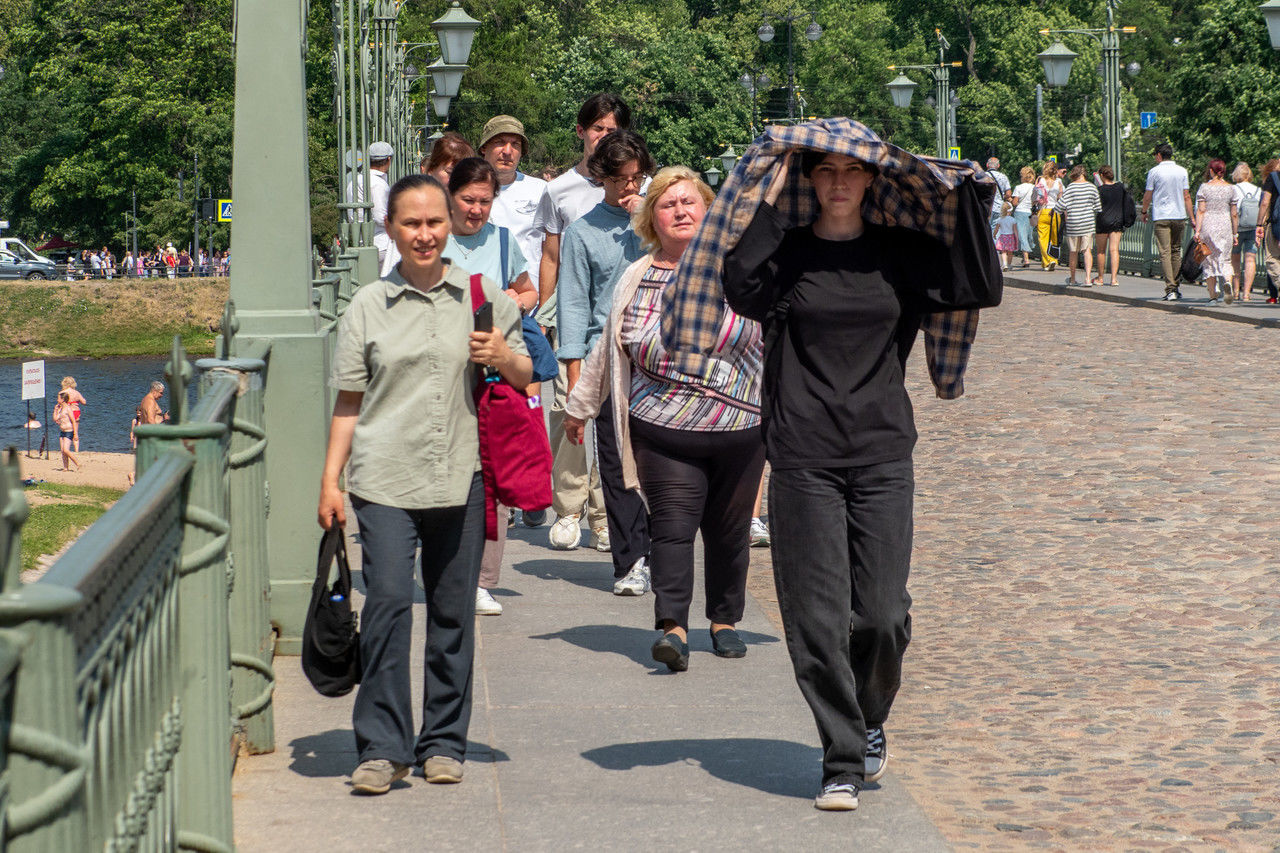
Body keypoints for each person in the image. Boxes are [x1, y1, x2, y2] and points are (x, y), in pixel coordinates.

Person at [705, 128, 998, 812]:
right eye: (825, 171)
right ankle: (841, 756)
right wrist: (776, 198)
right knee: (817, 616)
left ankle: (869, 717)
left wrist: (974, 206)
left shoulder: (900, 253)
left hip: (882, 450)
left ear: (871, 181)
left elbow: (978, 284)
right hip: (804, 454)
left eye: (851, 171)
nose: (838, 181)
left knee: (884, 614)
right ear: (811, 180)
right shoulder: (788, 255)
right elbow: (738, 286)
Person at [318, 173, 531, 796]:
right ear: (390, 230)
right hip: (383, 478)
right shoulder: (366, 307)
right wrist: (329, 481)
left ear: (450, 227)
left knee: (451, 613)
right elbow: (348, 403)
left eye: (434, 222)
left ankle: (443, 741)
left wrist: (502, 354)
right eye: (410, 223)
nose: (424, 234)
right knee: (385, 604)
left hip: (461, 473)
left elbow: (524, 376)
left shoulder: (482, 295)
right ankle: (383, 747)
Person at [564, 166, 764, 672]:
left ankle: (724, 621)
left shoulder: (739, 269)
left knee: (730, 529)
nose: (680, 210)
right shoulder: (638, 274)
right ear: (653, 218)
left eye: (689, 202)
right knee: (672, 528)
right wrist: (581, 405)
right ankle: (672, 627)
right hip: (663, 427)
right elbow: (611, 344)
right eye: (668, 204)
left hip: (741, 428)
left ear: (708, 210)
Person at [557, 129, 654, 595]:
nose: (631, 187)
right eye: (621, 180)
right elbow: (574, 305)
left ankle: (659, 554)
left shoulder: (659, 220)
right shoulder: (581, 233)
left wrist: (645, 222)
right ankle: (629, 561)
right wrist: (577, 378)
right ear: (602, 179)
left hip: (661, 359)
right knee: (615, 466)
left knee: (658, 466)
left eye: (637, 177)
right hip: (609, 359)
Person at [535, 93, 633, 548]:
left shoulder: (641, 190)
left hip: (624, 331)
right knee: (568, 412)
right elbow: (552, 257)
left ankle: (602, 513)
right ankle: (568, 507)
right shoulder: (560, 190)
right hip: (573, 319)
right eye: (598, 129)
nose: (604, 136)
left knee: (616, 430)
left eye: (612, 129)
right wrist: (548, 316)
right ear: (582, 132)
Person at [444, 156, 539, 616]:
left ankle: (482, 580)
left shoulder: (503, 242)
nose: (477, 209)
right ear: (450, 196)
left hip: (495, 373)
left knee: (493, 477)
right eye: (468, 200)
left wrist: (512, 302)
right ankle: (446, 566)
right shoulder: (431, 239)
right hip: (442, 375)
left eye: (485, 201)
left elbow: (529, 290)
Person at [479, 116, 547, 301]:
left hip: (531, 304)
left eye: (515, 144)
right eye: (500, 142)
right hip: (481, 300)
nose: (507, 151)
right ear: (484, 147)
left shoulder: (541, 190)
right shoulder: (469, 193)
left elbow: (551, 253)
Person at [1141, 143, 1195, 301]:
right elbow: (1187, 196)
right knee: (1176, 251)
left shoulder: (1154, 172)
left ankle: (1170, 287)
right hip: (1179, 215)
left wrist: (1144, 212)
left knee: (1165, 252)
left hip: (1162, 216)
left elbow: (1147, 195)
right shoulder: (1182, 171)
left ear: (1158, 155)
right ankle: (1176, 287)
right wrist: (1191, 217)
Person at [1195, 159, 1238, 304]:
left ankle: (1213, 296)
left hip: (1208, 225)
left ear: (1211, 171)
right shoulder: (1231, 188)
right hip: (1225, 225)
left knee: (1209, 259)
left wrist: (1198, 230)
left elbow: (1201, 210)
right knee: (1225, 258)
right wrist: (1235, 233)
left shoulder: (1204, 188)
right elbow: (1234, 214)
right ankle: (1228, 282)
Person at [1054, 165, 1102, 286]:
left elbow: (1060, 206)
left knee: (1073, 251)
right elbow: (1098, 207)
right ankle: (1087, 279)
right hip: (1088, 223)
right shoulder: (1092, 187)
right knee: (1087, 251)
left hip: (1073, 223)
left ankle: (1073, 278)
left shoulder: (1071, 187)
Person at [1092, 165, 1133, 286]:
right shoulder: (1120, 187)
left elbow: (1095, 206)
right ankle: (1114, 279)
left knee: (1100, 251)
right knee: (1114, 250)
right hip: (1117, 221)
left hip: (1103, 220)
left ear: (1102, 176)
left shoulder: (1099, 190)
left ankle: (1100, 278)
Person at [1232, 162, 1262, 301]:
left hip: (1237, 229)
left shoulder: (1234, 189)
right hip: (1253, 228)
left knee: (1235, 260)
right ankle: (1247, 293)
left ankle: (1236, 291)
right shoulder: (1258, 190)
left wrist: (1233, 232)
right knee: (1250, 260)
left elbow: (1233, 212)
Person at [1033, 162, 1064, 270]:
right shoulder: (1059, 182)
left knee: (1043, 238)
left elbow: (1036, 196)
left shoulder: (1041, 181)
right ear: (1055, 170)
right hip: (1055, 212)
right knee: (1054, 237)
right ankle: (1054, 259)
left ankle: (1047, 261)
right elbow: (1061, 198)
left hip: (1043, 211)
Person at [1010, 166, 1037, 269]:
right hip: (1031, 213)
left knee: (1022, 236)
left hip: (1020, 213)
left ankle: (1026, 259)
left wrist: (1010, 200)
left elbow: (1015, 202)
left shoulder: (1018, 187)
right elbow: (1035, 202)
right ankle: (1026, 256)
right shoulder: (1035, 188)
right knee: (1029, 235)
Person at [53, 391, 81, 472]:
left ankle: (78, 464)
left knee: (66, 450)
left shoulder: (68, 408)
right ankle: (66, 467)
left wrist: (75, 434)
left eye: (58, 398)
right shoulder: (60, 409)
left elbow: (73, 421)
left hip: (69, 431)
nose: (57, 400)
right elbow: (55, 419)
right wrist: (55, 410)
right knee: (62, 451)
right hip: (62, 431)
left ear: (63, 400)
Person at [60, 376, 86, 452]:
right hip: (76, 411)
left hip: (66, 412)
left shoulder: (62, 392)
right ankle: (76, 450)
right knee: (75, 431)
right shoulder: (76, 392)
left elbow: (59, 402)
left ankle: (65, 448)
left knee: (65, 430)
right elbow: (84, 402)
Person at [985, 156, 1012, 225]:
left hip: (986, 207)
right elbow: (1009, 194)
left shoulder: (983, 176)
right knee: (996, 231)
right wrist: (1002, 197)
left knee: (985, 229)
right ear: (998, 166)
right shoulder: (1003, 177)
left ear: (987, 165)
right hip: (999, 208)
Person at [992, 201, 1018, 270]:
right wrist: (1017, 238)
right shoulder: (1013, 220)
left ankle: (1004, 264)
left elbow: (996, 229)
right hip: (1011, 237)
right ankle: (1009, 265)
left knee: (1003, 252)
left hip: (1003, 237)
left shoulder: (1000, 220)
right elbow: (1015, 230)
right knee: (1010, 252)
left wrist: (994, 235)